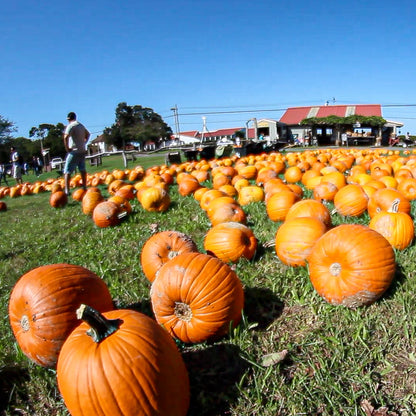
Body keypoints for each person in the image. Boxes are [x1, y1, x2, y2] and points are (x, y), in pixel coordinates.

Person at [63, 112, 90, 195]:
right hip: (82, 150)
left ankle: (67, 190)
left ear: (68, 119)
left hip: (74, 151)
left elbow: (66, 137)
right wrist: (84, 143)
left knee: (67, 171)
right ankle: (84, 187)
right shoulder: (81, 125)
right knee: (82, 169)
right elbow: (88, 134)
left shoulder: (71, 126)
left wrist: (67, 148)